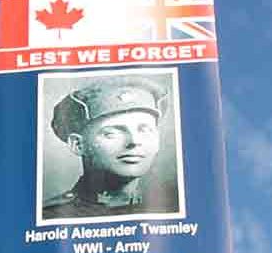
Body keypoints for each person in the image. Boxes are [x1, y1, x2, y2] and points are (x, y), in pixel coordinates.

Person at [43, 77, 179, 220]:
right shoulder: (53, 216)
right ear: (78, 145)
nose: (134, 141)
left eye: (144, 130)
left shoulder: (172, 206)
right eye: (111, 133)